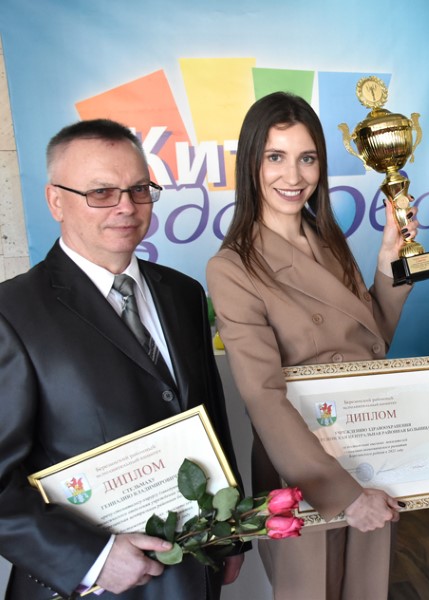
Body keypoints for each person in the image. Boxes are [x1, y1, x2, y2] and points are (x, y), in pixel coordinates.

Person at [0, 119, 245, 599]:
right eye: (101, 193)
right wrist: (91, 558)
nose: (127, 207)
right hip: (92, 587)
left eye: (138, 189)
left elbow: (210, 417)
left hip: (194, 569)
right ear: (55, 201)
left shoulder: (183, 293)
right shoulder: (11, 313)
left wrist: (230, 533)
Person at [207, 91, 416, 600]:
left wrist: (390, 259)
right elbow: (262, 395)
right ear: (251, 164)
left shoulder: (329, 242)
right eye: (275, 157)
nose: (293, 175)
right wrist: (342, 494)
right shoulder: (232, 267)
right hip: (302, 468)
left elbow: (372, 343)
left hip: (367, 450)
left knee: (367, 589)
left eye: (307, 158)